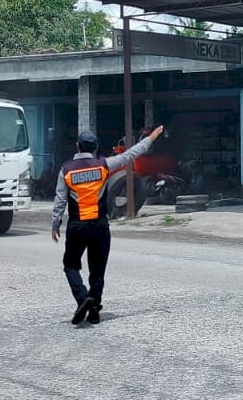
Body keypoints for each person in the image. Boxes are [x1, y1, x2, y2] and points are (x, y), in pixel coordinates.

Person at [51, 124, 165, 325]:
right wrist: (151, 138)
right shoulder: (104, 165)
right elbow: (131, 154)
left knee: (70, 265)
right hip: (100, 225)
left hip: (77, 225)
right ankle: (94, 308)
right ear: (95, 147)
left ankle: (82, 298)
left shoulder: (66, 170)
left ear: (77, 146)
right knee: (98, 269)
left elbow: (60, 200)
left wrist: (55, 224)